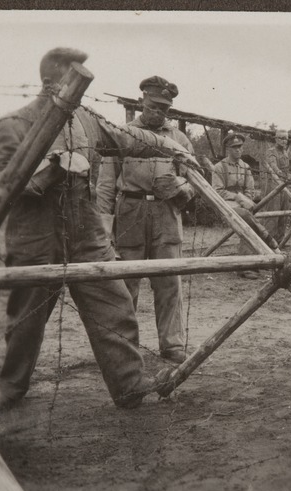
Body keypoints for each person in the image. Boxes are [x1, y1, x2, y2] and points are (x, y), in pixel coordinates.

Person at [0, 48, 195, 411]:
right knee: (27, 317)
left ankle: (129, 385)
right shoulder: (14, 124)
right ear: (50, 83)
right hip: (35, 235)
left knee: (115, 304)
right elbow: (0, 186)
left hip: (86, 232)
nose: (79, 93)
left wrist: (170, 146)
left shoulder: (83, 117)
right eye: (73, 82)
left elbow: (129, 138)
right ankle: (12, 385)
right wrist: (54, 167)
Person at [96, 76, 196, 364]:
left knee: (169, 282)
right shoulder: (122, 133)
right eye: (153, 106)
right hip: (131, 211)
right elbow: (105, 185)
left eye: (164, 108)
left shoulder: (179, 140)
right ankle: (125, 346)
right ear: (141, 102)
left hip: (167, 214)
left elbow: (195, 182)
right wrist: (104, 230)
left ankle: (172, 344)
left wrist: (181, 189)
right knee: (127, 283)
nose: (158, 112)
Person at [212, 132, 279, 279]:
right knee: (247, 219)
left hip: (244, 208)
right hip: (225, 206)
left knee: (247, 222)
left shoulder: (245, 167)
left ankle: (249, 266)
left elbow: (250, 189)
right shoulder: (219, 167)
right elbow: (217, 192)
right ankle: (267, 241)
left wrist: (247, 200)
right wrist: (237, 197)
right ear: (228, 149)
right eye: (234, 147)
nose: (238, 150)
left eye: (240, 146)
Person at [262, 129, 291, 243]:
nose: (284, 141)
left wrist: (290, 176)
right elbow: (274, 167)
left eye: (286, 139)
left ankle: (280, 243)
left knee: (284, 215)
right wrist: (284, 175)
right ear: (276, 139)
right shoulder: (271, 151)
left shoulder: (285, 153)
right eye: (282, 138)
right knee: (273, 216)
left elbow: (286, 170)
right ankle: (268, 244)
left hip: (284, 186)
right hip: (274, 186)